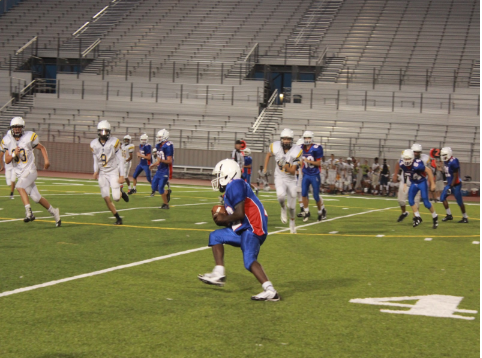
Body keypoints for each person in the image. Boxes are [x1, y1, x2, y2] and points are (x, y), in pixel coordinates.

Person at [198, 159, 280, 301]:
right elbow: (237, 218)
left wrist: (223, 219)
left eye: (219, 175)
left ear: (227, 175)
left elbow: (240, 213)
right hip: (244, 228)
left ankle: (270, 291)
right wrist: (223, 218)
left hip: (253, 228)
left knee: (249, 261)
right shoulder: (232, 189)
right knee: (215, 236)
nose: (217, 179)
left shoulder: (235, 184)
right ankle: (219, 273)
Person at [3, 117, 61, 226]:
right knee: (36, 198)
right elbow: (6, 160)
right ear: (11, 129)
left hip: (30, 171)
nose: (17, 129)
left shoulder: (28, 138)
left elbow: (42, 148)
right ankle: (54, 212)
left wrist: (46, 160)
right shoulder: (8, 141)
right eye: (15, 127)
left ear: (22, 128)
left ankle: (29, 213)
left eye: (19, 127)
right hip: (21, 175)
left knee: (19, 187)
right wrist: (14, 154)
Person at [263, 128, 302, 233]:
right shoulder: (275, 147)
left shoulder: (297, 151)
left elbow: (293, 171)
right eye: (284, 139)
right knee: (280, 196)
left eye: (288, 139)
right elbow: (268, 154)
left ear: (291, 140)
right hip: (279, 177)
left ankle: (292, 221)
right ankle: (283, 208)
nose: (286, 141)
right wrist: (265, 168)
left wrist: (285, 166)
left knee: (292, 207)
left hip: (291, 179)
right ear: (281, 139)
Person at [91, 120, 128, 225]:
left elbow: (120, 159)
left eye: (105, 131)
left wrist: (122, 175)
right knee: (106, 197)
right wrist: (95, 171)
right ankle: (118, 218)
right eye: (102, 131)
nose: (104, 133)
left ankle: (121, 192)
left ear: (109, 132)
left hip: (113, 171)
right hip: (103, 173)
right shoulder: (94, 144)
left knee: (116, 198)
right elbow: (95, 159)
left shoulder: (114, 142)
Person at [399, 149, 438, 229]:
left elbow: (429, 171)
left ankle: (435, 217)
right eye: (405, 159)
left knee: (426, 203)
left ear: (412, 158)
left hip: (421, 182)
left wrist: (432, 184)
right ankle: (418, 217)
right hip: (414, 183)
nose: (406, 161)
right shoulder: (402, 164)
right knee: (410, 201)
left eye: (408, 159)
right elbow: (406, 172)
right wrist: (405, 183)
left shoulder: (417, 164)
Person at [300, 130, 326, 222]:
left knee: (316, 196)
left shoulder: (316, 147)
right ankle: (306, 212)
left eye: (309, 138)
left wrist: (308, 161)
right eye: (305, 138)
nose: (307, 139)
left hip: (314, 174)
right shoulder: (301, 147)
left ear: (312, 138)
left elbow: (319, 162)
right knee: (303, 193)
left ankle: (320, 212)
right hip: (306, 174)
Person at [440, 147, 468, 223]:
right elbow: (447, 173)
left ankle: (465, 217)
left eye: (444, 155)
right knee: (442, 198)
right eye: (442, 155)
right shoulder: (446, 161)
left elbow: (455, 175)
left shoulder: (454, 161)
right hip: (450, 184)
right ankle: (449, 215)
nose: (443, 156)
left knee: (459, 201)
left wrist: (450, 186)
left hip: (456, 184)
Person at [149, 129, 173, 209]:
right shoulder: (158, 146)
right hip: (159, 170)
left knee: (160, 188)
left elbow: (169, 161)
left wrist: (160, 161)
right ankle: (166, 192)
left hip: (165, 170)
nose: (158, 138)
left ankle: (166, 204)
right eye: (158, 137)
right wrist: (153, 165)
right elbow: (159, 160)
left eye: (160, 137)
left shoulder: (168, 146)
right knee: (154, 187)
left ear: (165, 137)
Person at [0, 128, 17, 199]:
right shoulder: (5, 144)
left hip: (15, 164)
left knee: (13, 179)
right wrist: (2, 166)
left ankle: (11, 194)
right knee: (8, 182)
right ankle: (14, 186)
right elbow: (0, 155)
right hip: (8, 164)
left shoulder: (18, 143)